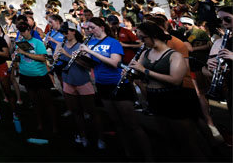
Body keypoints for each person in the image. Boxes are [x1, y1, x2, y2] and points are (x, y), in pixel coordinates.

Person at [130, 21, 212, 161]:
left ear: (153, 36)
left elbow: (175, 79)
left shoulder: (174, 55)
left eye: (143, 38)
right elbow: (140, 74)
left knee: (187, 141)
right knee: (168, 138)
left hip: (173, 98)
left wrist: (145, 70)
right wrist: (133, 73)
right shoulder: (145, 52)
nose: (140, 41)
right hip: (155, 98)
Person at [80, 17, 151, 160]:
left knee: (132, 123)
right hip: (102, 84)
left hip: (118, 84)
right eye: (87, 29)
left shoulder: (113, 42)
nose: (89, 31)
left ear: (102, 27)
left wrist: (91, 52)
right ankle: (128, 152)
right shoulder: (90, 42)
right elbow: (91, 66)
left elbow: (114, 62)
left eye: (92, 27)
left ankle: (149, 155)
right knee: (117, 122)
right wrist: (80, 58)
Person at [54, 24, 101, 148]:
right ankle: (82, 135)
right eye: (63, 33)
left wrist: (68, 55)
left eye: (66, 32)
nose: (64, 35)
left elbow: (87, 65)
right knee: (76, 111)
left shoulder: (81, 46)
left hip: (82, 80)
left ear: (73, 32)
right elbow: (58, 60)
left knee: (91, 111)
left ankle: (99, 137)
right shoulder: (61, 44)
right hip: (68, 80)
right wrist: (56, 57)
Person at [13, 20, 57, 137]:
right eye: (20, 32)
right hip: (26, 75)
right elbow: (19, 59)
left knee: (47, 101)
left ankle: (53, 125)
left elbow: (43, 58)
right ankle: (40, 124)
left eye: (24, 31)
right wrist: (16, 57)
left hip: (39, 75)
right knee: (34, 102)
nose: (22, 34)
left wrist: (25, 52)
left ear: (29, 30)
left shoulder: (37, 42)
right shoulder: (20, 42)